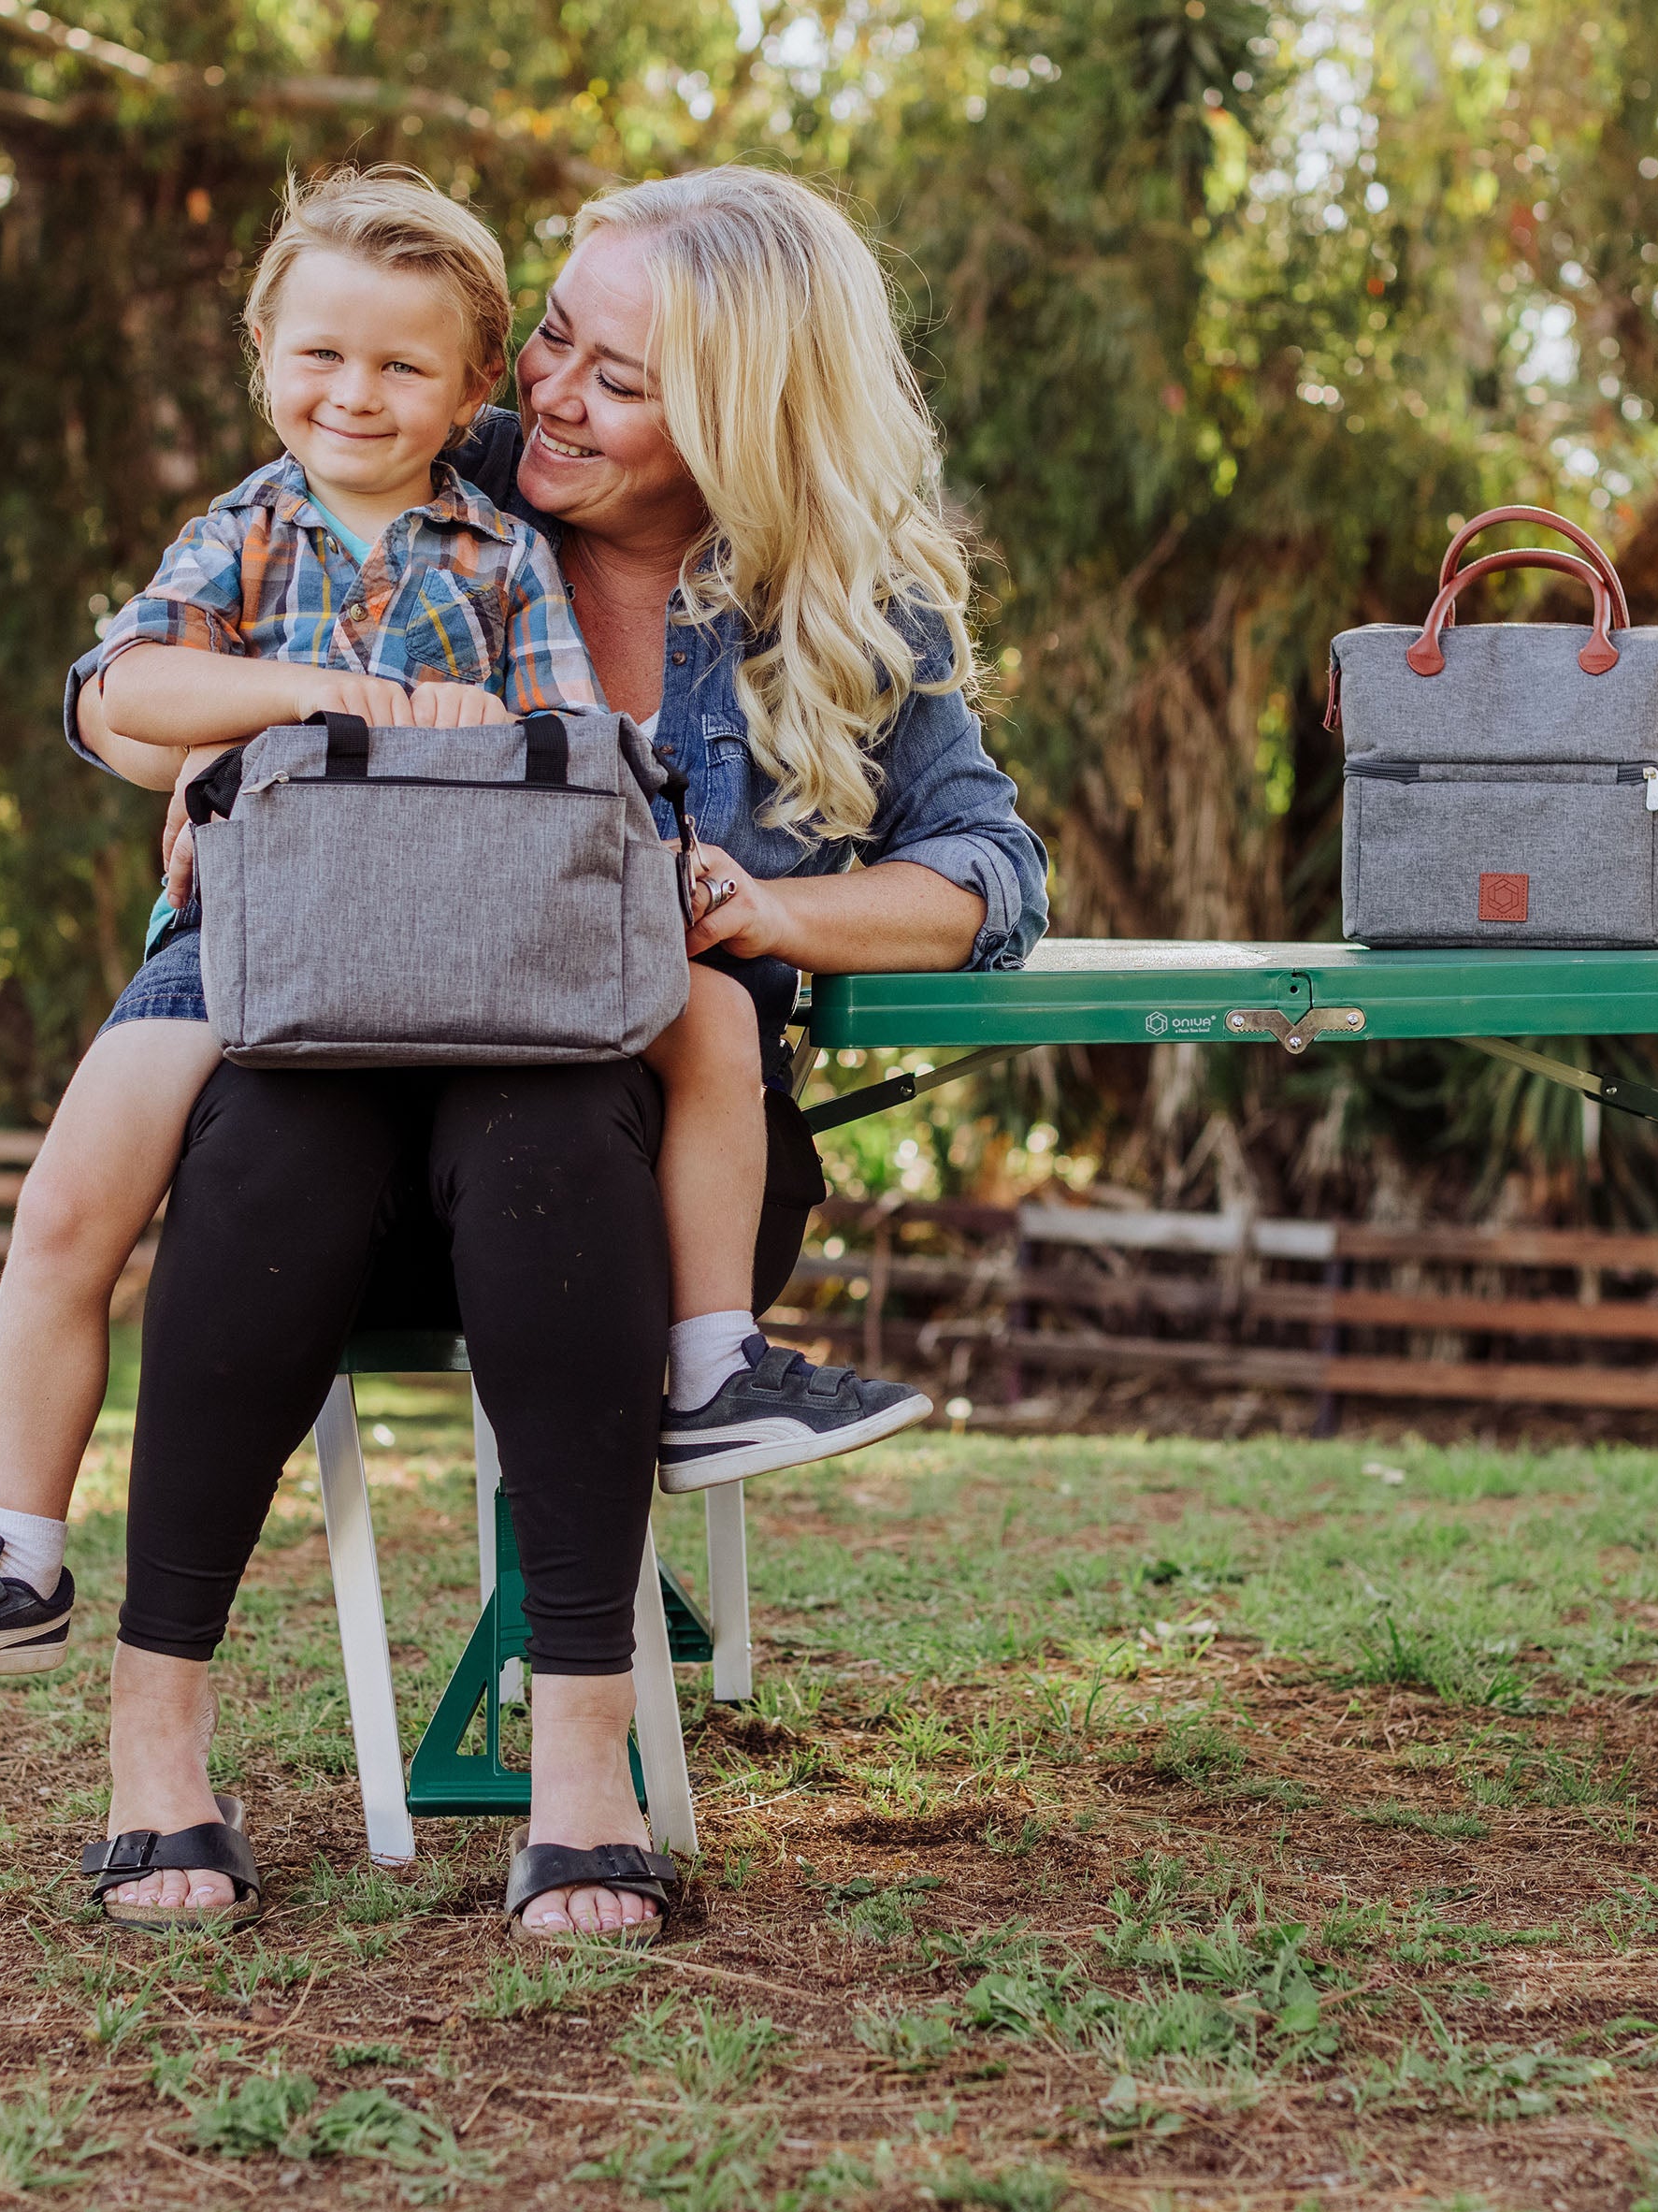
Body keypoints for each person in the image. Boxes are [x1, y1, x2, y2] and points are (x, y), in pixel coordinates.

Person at [84, 166, 1047, 1936]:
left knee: (547, 1128)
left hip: (646, 1159)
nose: (548, 391)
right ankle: (157, 1752)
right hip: (350, 1097)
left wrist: (761, 911)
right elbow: (145, 687)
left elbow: (989, 871)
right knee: (268, 1133)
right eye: (551, 339)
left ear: (745, 419)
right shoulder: (399, 493)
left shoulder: (833, 619)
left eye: (618, 377)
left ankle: (583, 1774)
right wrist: (262, 754)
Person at [0, 166, 929, 1705]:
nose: (363, 395)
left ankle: (712, 1360)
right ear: (265, 351)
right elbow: (122, 691)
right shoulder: (249, 531)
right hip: (255, 939)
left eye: (410, 370)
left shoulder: (502, 548)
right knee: (74, 1193)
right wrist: (308, 707)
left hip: (487, 952)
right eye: (555, 346)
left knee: (720, 1016)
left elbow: (577, 749)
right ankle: (16, 1546)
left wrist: (681, 860)